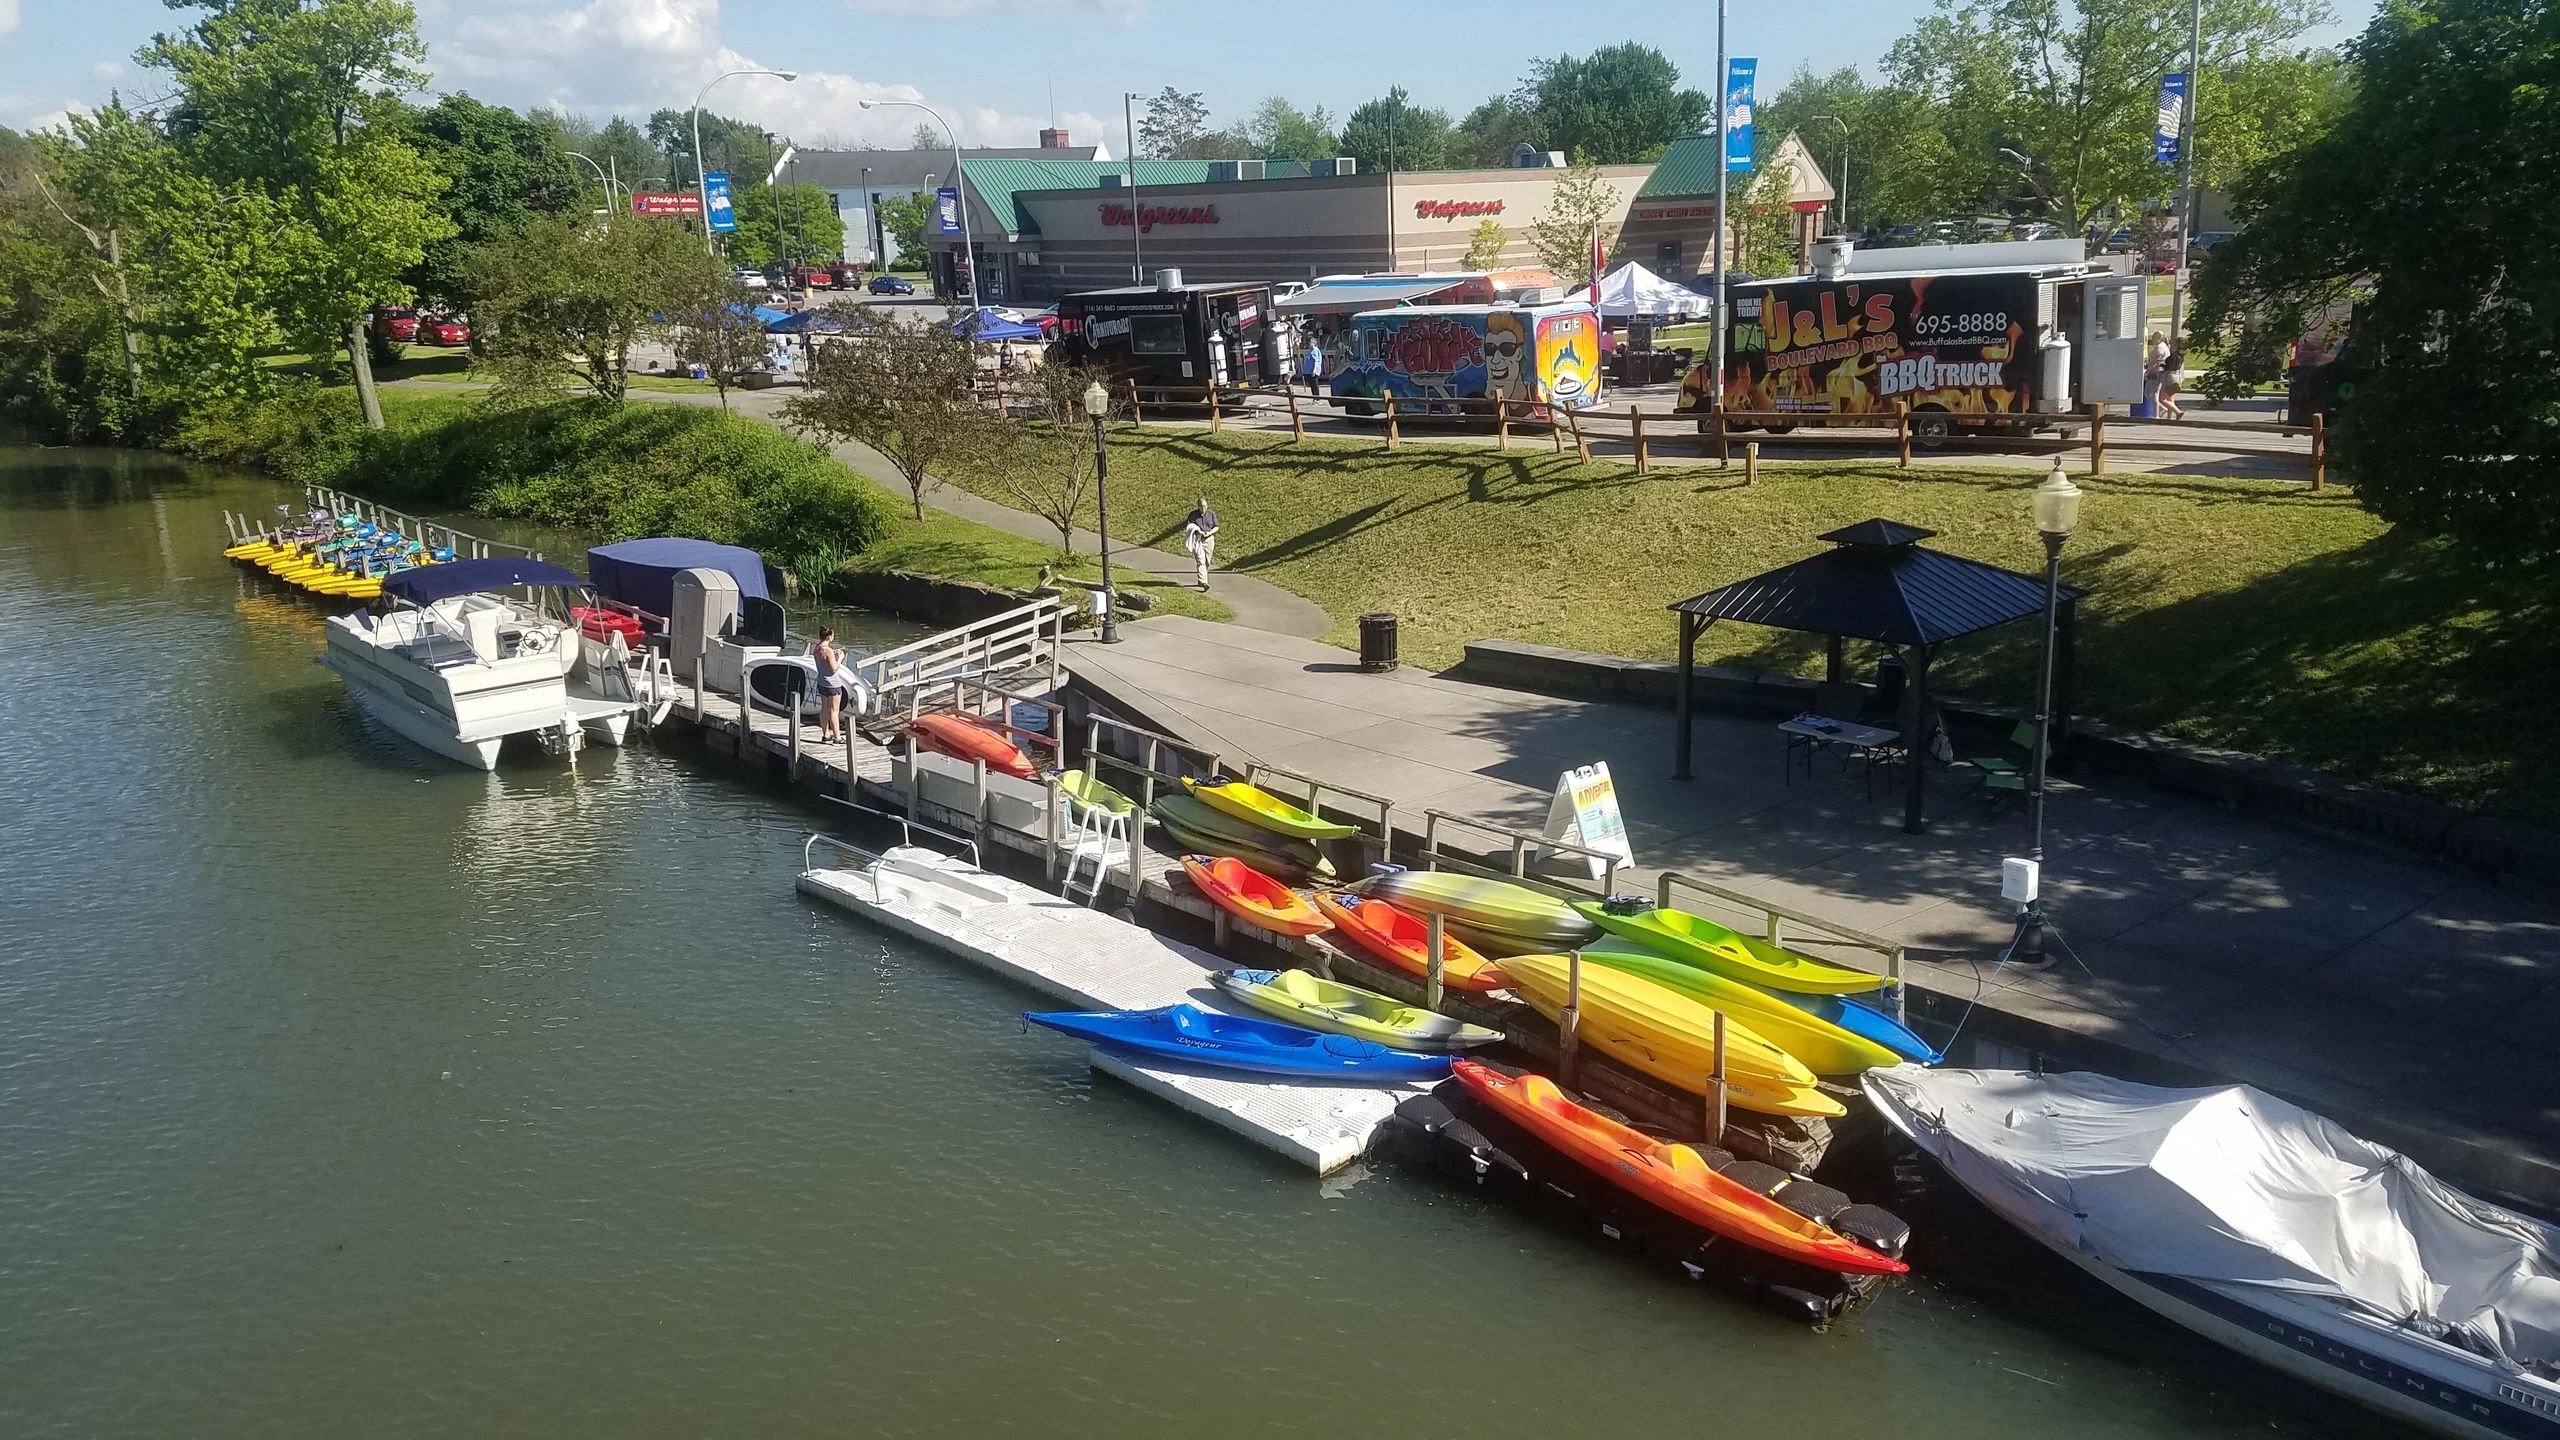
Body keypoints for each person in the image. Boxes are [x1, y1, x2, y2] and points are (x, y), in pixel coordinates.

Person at [811, 627, 847, 743]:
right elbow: (833, 669)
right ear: (829, 636)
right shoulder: (828, 651)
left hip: (822, 682)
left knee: (824, 709)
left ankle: (825, 734)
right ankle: (837, 737)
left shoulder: (817, 648)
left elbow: (824, 662)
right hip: (833, 685)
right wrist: (840, 658)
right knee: (834, 711)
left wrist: (833, 656)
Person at [1181, 498, 1220, 591]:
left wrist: (1209, 533)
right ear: (1198, 506)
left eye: (1205, 506)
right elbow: (1190, 527)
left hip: (1209, 539)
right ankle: (1203, 582)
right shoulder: (1193, 515)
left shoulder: (1211, 514)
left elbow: (1216, 526)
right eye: (1202, 506)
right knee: (1200, 561)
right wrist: (1198, 531)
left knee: (1207, 561)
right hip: (1198, 540)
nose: (1204, 508)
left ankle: (1202, 580)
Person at [2158, 338, 2187, 420]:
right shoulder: (2181, 355)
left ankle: (2178, 412)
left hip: (2169, 376)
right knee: (2170, 398)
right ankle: (2169, 417)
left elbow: (2169, 366)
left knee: (2163, 399)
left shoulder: (2174, 356)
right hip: (2177, 376)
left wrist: (2162, 365)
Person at [2143, 330, 2169, 418]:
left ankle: (2156, 415)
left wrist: (2147, 372)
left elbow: (2152, 363)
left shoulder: (2159, 348)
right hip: (2161, 371)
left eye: (2154, 338)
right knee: (2148, 393)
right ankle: (2161, 409)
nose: (2152, 340)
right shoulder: (2165, 346)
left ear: (2158, 338)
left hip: (2155, 372)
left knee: (2153, 393)